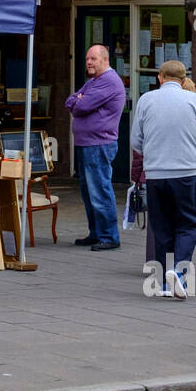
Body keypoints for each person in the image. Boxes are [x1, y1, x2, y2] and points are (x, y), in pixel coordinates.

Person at [130, 60, 196, 298]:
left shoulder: (146, 100)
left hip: (156, 174)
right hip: (186, 172)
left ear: (160, 77)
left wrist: (151, 153)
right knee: (189, 223)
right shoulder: (195, 101)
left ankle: (162, 283)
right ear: (183, 80)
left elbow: (136, 141)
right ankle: (178, 272)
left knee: (161, 226)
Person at [66, 45, 126, 251]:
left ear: (105, 60)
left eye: (93, 59)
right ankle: (96, 233)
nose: (89, 62)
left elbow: (80, 106)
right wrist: (79, 100)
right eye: (87, 59)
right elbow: (71, 101)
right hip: (87, 143)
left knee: (100, 191)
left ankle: (109, 236)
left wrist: (80, 101)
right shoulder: (94, 81)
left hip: (99, 144)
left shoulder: (108, 81)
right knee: (88, 193)